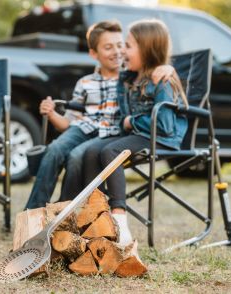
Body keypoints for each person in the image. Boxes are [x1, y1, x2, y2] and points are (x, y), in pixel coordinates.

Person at [25, 20, 174, 210]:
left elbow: (154, 67)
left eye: (121, 45)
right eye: (108, 47)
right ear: (94, 53)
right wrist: (52, 113)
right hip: (83, 128)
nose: (117, 51)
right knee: (54, 149)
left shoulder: (130, 77)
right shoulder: (85, 82)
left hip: (112, 133)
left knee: (77, 156)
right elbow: (67, 124)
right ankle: (34, 210)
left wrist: (168, 68)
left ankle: (63, 209)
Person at [83, 19, 188, 246]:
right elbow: (123, 119)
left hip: (162, 139)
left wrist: (132, 121)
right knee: (92, 151)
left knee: (111, 151)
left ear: (147, 49)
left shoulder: (162, 79)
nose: (122, 51)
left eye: (128, 46)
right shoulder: (128, 78)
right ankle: (95, 218)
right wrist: (127, 123)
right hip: (141, 135)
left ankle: (119, 221)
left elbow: (164, 125)